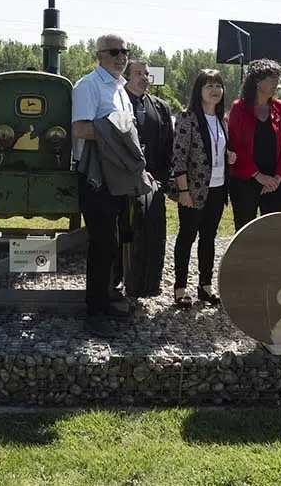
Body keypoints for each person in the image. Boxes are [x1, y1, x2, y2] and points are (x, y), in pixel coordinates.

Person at [71, 33, 145, 337]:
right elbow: (79, 128)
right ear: (99, 54)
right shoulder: (88, 86)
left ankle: (106, 299)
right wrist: (115, 131)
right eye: (115, 51)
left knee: (113, 243)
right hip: (97, 176)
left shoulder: (119, 88)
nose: (121, 56)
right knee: (101, 245)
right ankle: (94, 313)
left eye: (125, 51)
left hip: (117, 176)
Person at [171, 69, 237, 308]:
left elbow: (213, 150)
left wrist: (228, 155)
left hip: (218, 189)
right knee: (187, 237)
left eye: (218, 85)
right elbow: (178, 157)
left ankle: (205, 286)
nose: (215, 90)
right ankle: (180, 288)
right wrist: (183, 191)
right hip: (194, 190)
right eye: (209, 85)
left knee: (209, 238)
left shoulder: (222, 120)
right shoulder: (187, 117)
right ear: (198, 90)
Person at [119, 58, 174, 297]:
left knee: (153, 236)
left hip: (153, 186)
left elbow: (168, 148)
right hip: (122, 183)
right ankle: (120, 283)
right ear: (127, 76)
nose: (143, 78)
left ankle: (149, 284)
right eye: (138, 73)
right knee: (123, 237)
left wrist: (165, 181)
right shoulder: (117, 102)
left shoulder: (160, 107)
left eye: (146, 74)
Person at [226, 58, 281, 231]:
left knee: (272, 233)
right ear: (257, 81)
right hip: (245, 181)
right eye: (272, 78)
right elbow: (235, 145)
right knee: (244, 231)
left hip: (275, 183)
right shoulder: (238, 108)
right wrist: (258, 175)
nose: (277, 83)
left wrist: (277, 178)